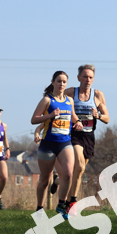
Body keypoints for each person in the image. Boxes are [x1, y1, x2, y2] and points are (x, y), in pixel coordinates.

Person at [31, 70, 82, 219]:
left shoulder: (69, 100)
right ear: (53, 82)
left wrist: (77, 122)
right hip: (48, 144)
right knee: (45, 180)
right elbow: (34, 119)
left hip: (65, 143)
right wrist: (50, 116)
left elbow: (72, 115)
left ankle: (61, 204)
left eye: (64, 82)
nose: (61, 84)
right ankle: (39, 209)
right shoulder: (47, 100)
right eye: (59, 81)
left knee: (68, 174)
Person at [64, 65, 109, 214]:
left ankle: (59, 181)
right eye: (84, 76)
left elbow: (107, 118)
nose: (87, 80)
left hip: (89, 136)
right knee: (80, 166)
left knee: (78, 171)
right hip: (74, 135)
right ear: (78, 78)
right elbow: (56, 102)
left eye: (90, 77)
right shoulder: (71, 92)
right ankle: (72, 201)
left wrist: (98, 116)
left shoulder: (98, 95)